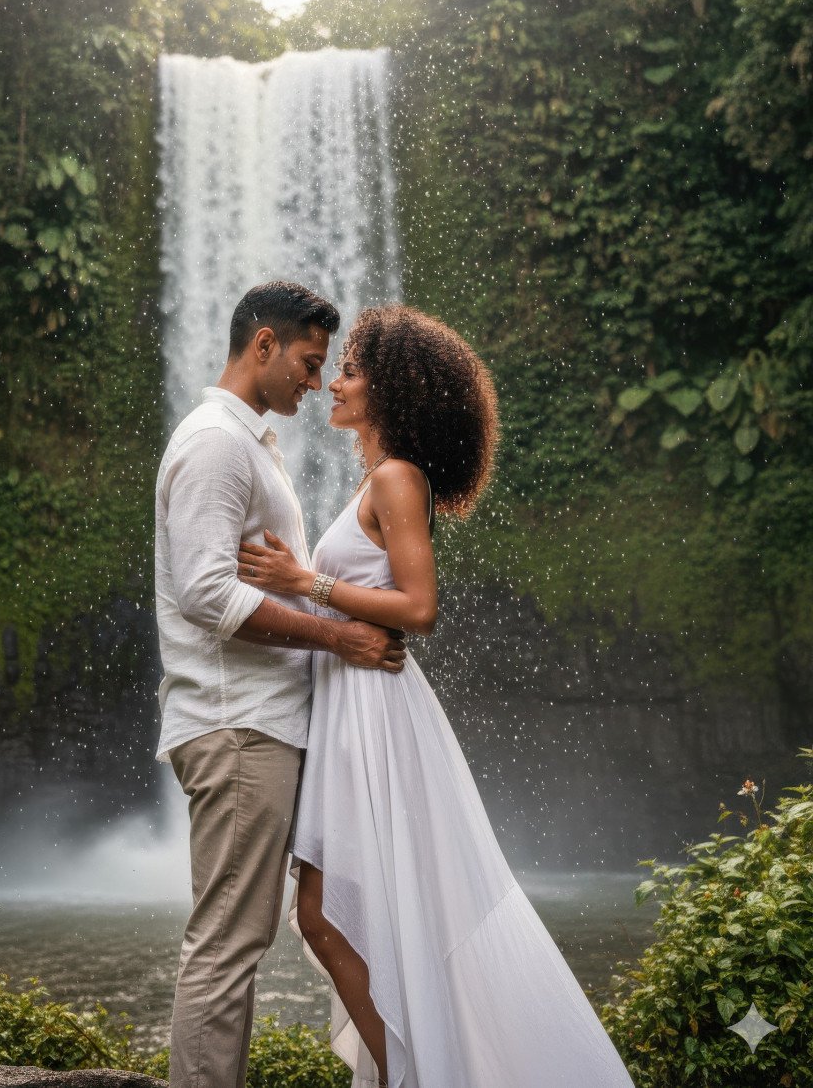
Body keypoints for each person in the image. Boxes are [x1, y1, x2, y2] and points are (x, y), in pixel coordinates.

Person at [236, 304, 638, 1088]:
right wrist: (310, 589)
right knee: (354, 911)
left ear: (391, 390)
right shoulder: (379, 478)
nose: (332, 386)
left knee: (328, 913)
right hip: (354, 706)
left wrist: (305, 581)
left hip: (378, 714)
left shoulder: (396, 478)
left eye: (348, 371)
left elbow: (420, 607)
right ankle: (416, 1070)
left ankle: (412, 1075)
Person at [154, 281, 407, 1088]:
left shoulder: (247, 443)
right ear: (261, 345)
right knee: (229, 943)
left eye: (325, 366)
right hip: (238, 728)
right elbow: (206, 593)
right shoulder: (216, 444)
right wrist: (338, 637)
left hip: (263, 726)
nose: (313, 379)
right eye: (305, 362)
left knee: (265, 931)